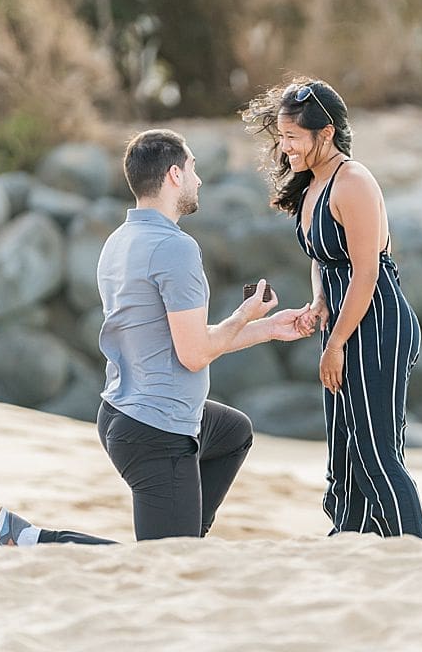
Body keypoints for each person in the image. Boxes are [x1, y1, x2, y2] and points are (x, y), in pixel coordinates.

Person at [95, 128, 314, 541]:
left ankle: (187, 530)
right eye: (193, 168)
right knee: (164, 562)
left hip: (119, 413)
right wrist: (244, 313)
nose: (199, 179)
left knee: (233, 432)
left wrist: (267, 327)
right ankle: (32, 538)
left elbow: (181, 339)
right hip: (157, 431)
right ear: (175, 175)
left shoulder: (118, 241)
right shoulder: (176, 249)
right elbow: (195, 354)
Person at [243, 79, 422, 538]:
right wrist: (320, 304)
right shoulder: (312, 185)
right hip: (346, 322)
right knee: (344, 449)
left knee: (377, 451)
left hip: (378, 322)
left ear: (324, 134)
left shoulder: (354, 182)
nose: (284, 149)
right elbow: (325, 261)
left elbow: (366, 273)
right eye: (281, 138)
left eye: (292, 138)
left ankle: (414, 551)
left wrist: (337, 343)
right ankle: (351, 540)